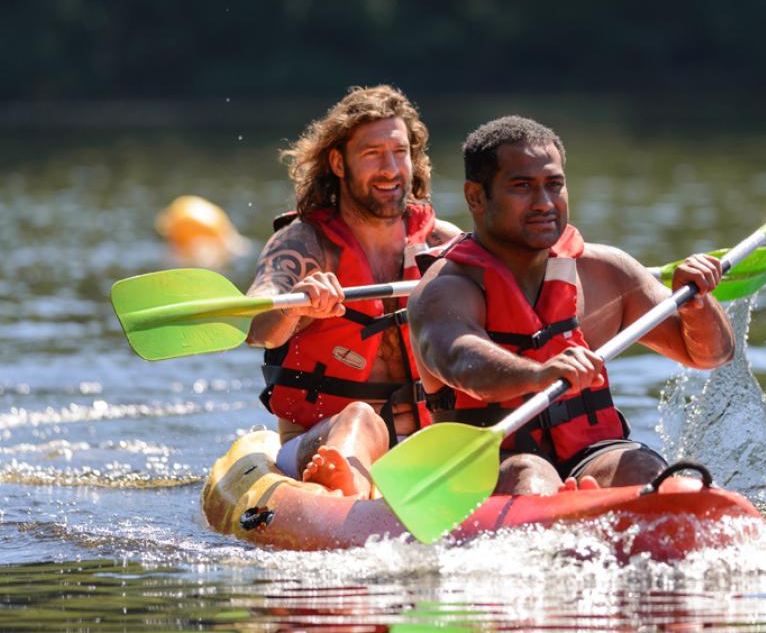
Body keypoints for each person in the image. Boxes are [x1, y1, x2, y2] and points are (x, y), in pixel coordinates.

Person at [408, 116, 735, 495]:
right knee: (531, 475)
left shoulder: (606, 272)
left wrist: (698, 305)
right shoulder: (446, 288)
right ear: (476, 197)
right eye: (522, 187)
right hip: (491, 464)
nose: (544, 203)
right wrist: (536, 373)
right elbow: (461, 361)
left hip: (589, 453)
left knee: (645, 468)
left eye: (554, 185)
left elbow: (712, 355)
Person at [246, 85, 459, 496]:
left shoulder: (443, 245)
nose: (390, 169)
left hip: (424, 443)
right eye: (372, 154)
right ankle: (344, 494)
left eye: (400, 153)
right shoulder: (304, 244)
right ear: (338, 164)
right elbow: (259, 326)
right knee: (360, 419)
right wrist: (297, 307)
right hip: (318, 438)